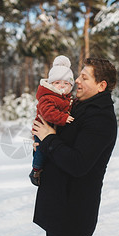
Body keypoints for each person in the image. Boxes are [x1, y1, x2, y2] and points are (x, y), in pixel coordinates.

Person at [32, 57, 117, 236]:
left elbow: (78, 163)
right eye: (79, 75)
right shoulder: (78, 106)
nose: (77, 80)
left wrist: (49, 140)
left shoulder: (101, 118)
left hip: (71, 214)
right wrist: (42, 143)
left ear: (101, 85)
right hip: (58, 206)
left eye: (85, 78)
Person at [29, 55, 75, 186]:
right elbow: (48, 113)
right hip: (42, 129)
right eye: (58, 83)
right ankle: (36, 170)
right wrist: (63, 118)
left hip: (52, 132)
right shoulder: (47, 97)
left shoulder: (65, 98)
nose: (62, 86)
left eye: (66, 83)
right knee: (40, 151)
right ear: (51, 84)